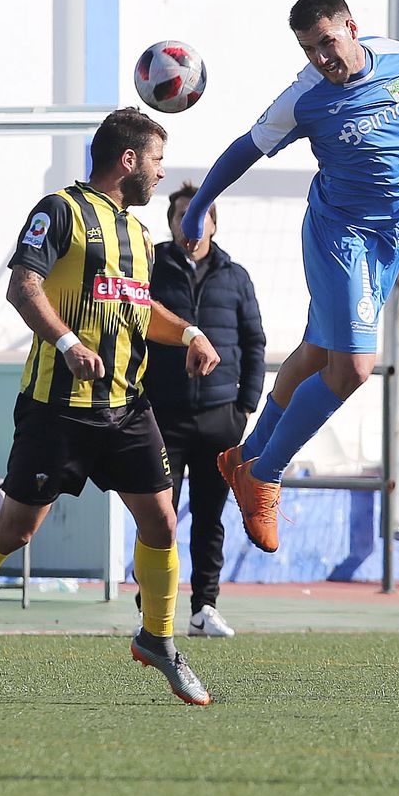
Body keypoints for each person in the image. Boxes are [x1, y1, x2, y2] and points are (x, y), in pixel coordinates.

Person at [0, 107, 221, 705]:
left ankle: (158, 637)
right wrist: (66, 343)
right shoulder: (59, 210)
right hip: (57, 407)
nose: (163, 174)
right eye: (159, 161)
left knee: (162, 520)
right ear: (129, 160)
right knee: (16, 529)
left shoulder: (139, 235)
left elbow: (138, 310)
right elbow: (23, 285)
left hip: (127, 407)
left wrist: (188, 333)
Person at [179, 0, 399, 554]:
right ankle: (266, 473)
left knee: (318, 354)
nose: (322, 57)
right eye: (309, 49)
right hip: (339, 234)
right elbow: (246, 147)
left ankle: (244, 456)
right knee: (354, 369)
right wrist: (198, 207)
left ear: (351, 27)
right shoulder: (305, 96)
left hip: (390, 235)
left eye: (327, 43)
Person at [145, 182, 266, 638]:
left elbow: (254, 342)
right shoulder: (151, 268)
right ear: (172, 223)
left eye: (199, 216)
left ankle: (204, 607)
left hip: (220, 417)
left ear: (213, 223)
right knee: (159, 514)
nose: (189, 225)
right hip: (162, 416)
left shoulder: (235, 277)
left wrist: (244, 406)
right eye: (180, 216)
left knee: (211, 516)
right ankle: (152, 608)